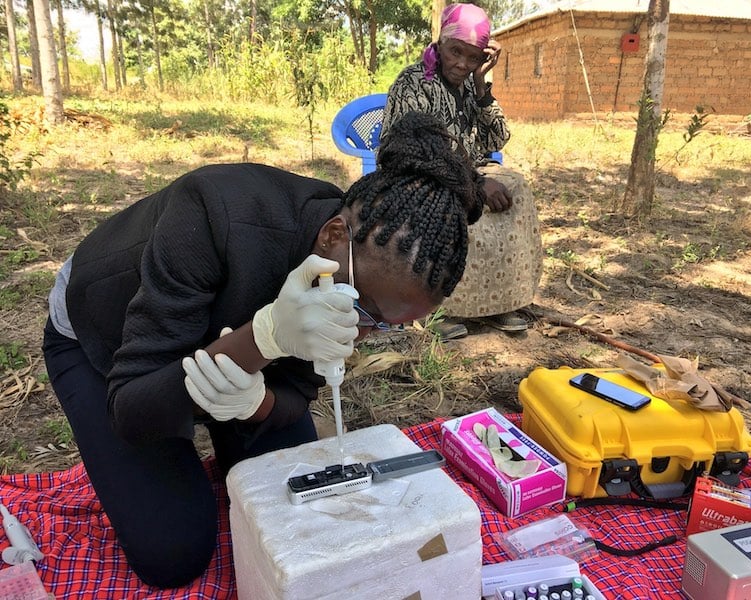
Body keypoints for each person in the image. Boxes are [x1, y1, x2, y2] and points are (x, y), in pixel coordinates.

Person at [42, 112, 484, 589]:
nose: (361, 335)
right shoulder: (214, 213)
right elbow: (132, 408)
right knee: (172, 551)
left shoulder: (358, 267)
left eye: (386, 328)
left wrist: (257, 403)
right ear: (333, 237)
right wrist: (265, 338)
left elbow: (295, 392)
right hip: (104, 344)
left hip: (222, 358)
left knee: (300, 505)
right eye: (364, 309)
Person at [382, 2, 543, 340]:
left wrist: (483, 84)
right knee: (449, 199)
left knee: (516, 187)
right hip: (418, 173)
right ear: (441, 42)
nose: (462, 64)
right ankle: (437, 308)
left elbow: (498, 138)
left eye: (473, 58)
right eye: (456, 51)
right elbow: (409, 152)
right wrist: (474, 181)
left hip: (468, 170)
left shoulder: (470, 85)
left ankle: (499, 301)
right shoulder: (414, 84)